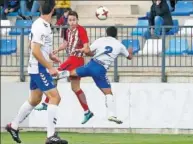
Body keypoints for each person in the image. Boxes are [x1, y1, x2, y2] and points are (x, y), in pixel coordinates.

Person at [5, 0, 68, 144]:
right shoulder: (41, 26)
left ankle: (13, 126)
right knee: (55, 97)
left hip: (37, 66)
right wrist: (50, 67)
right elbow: (34, 49)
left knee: (35, 99)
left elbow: (31, 44)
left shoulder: (41, 24)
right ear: (53, 10)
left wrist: (50, 55)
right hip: (39, 68)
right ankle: (51, 136)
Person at [59, 26, 133, 124]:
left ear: (106, 33)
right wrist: (130, 50)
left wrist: (83, 50)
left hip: (91, 65)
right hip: (101, 69)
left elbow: (88, 52)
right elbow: (129, 57)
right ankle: (112, 115)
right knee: (108, 93)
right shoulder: (119, 45)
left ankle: (58, 75)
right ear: (116, 35)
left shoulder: (100, 40)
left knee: (72, 72)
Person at [34, 10, 93, 124]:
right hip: (71, 59)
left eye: (74, 20)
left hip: (76, 59)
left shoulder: (81, 30)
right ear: (67, 21)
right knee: (75, 88)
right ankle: (87, 111)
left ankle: (46, 103)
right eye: (70, 20)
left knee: (54, 74)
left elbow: (87, 48)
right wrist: (57, 49)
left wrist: (82, 50)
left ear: (77, 20)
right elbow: (66, 44)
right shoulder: (67, 30)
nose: (72, 22)